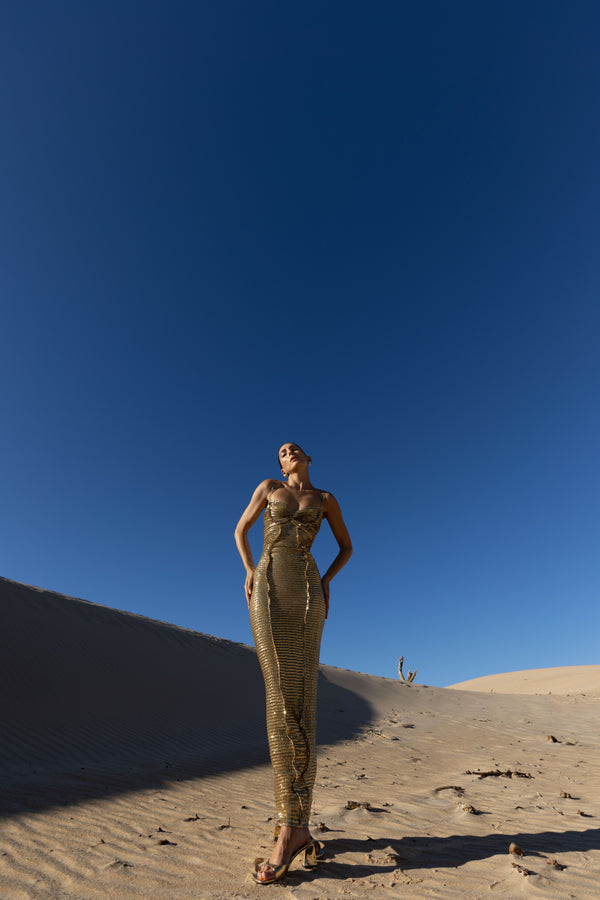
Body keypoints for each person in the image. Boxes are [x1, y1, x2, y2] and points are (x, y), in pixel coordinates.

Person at [234, 442, 352, 885]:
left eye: (295, 449)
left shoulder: (326, 499)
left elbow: (346, 547)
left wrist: (325, 580)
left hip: (306, 591)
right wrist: (250, 569)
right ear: (279, 465)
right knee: (279, 698)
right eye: (283, 452)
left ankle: (294, 825)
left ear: (307, 459)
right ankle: (292, 823)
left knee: (304, 699)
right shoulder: (268, 488)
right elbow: (240, 530)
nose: (289, 452)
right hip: (267, 586)